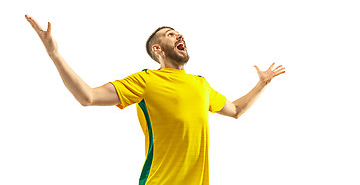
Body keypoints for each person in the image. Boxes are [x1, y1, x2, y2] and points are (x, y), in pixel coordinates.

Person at [25, 14, 285, 185]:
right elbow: (88, 97)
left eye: (180, 34)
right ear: (157, 49)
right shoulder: (146, 80)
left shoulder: (201, 84)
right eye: (171, 34)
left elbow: (237, 110)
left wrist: (261, 83)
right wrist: (54, 54)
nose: (179, 36)